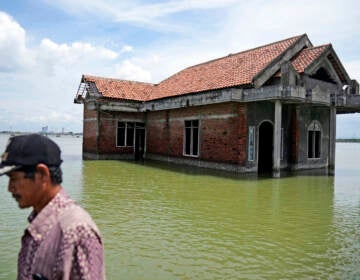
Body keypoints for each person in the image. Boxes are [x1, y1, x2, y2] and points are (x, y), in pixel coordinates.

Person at [0, 134, 105, 280]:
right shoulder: (38, 224)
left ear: (43, 174)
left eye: (14, 179)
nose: (10, 188)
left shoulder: (75, 232)